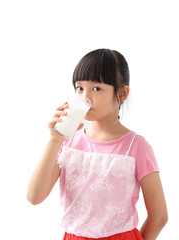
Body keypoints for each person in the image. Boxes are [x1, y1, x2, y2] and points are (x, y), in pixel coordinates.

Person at [27, 49, 168, 240]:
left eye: (96, 89)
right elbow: (34, 197)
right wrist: (54, 140)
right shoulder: (68, 142)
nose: (85, 97)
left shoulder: (136, 147)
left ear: (122, 93)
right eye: (79, 88)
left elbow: (159, 216)